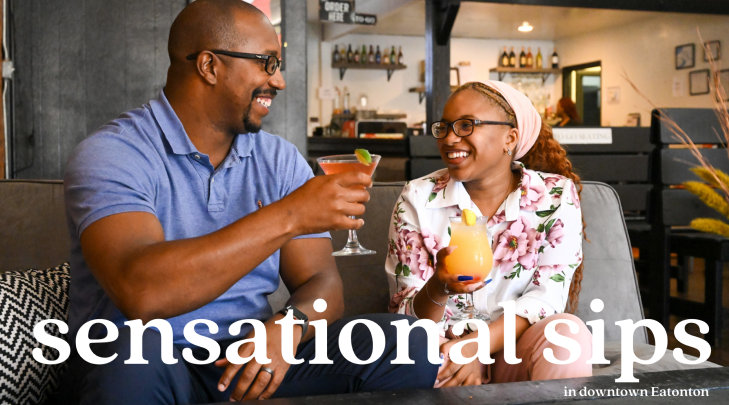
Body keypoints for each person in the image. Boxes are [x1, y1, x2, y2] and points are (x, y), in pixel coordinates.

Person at [57, 1, 437, 403]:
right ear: (209, 66)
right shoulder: (115, 153)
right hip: (145, 364)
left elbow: (323, 285)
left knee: (409, 341)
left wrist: (290, 325)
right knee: (134, 350)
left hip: (246, 362)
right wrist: (291, 215)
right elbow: (142, 293)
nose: (280, 81)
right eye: (267, 63)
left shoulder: (279, 159)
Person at [386, 81, 592, 387]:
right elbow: (407, 312)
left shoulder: (555, 196)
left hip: (516, 348)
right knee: (415, 355)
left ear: (510, 137)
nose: (450, 138)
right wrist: (439, 287)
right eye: (444, 127)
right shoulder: (418, 197)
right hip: (442, 351)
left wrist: (477, 346)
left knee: (568, 334)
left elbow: (547, 298)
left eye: (467, 125)